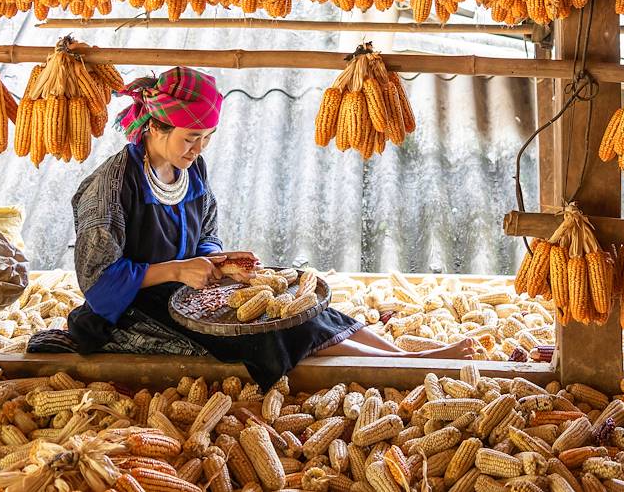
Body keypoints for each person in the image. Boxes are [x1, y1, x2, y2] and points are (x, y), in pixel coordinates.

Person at [47, 67, 474, 389]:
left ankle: (405, 358)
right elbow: (99, 284)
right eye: (190, 137)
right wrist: (178, 270)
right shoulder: (110, 187)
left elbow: (205, 233)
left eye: (208, 138)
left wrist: (219, 261)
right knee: (274, 331)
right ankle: (414, 368)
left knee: (293, 303)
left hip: (188, 289)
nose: (198, 150)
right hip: (135, 305)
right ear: (155, 126)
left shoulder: (190, 170)